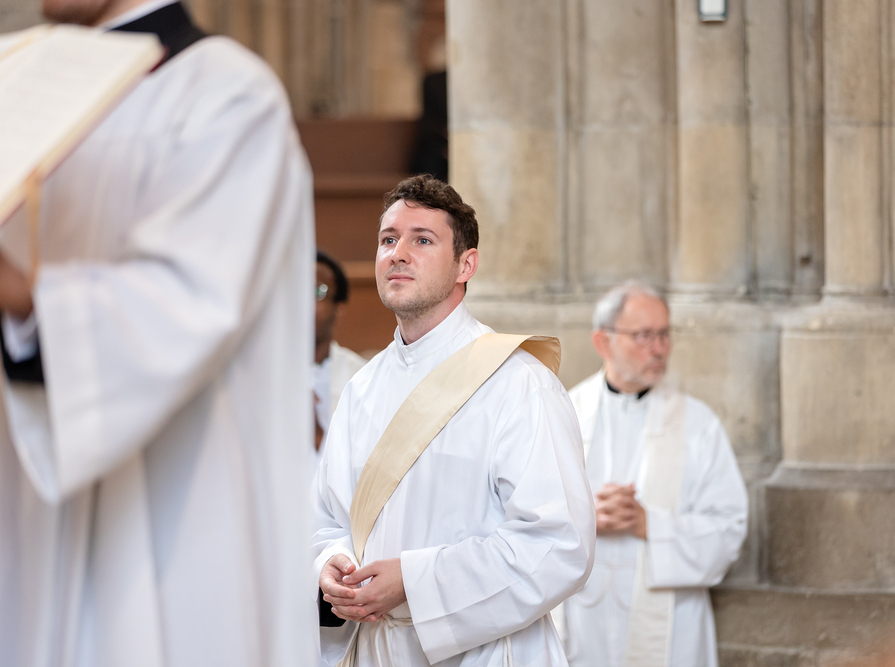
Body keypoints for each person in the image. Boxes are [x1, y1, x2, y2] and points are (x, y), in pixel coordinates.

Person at [0, 0, 315, 665]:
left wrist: (23, 300)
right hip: (24, 528)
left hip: (169, 530)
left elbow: (186, 305)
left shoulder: (227, 94)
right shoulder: (20, 85)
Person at [313, 175, 595, 666]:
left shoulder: (517, 382)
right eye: (388, 240)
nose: (398, 254)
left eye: (422, 240)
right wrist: (329, 565)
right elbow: (327, 519)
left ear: (467, 264)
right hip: (378, 649)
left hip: (486, 653)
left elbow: (559, 543)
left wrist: (415, 584)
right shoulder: (361, 388)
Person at [559, 282, 748, 667]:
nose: (660, 348)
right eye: (644, 336)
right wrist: (584, 515)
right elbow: (517, 516)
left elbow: (729, 530)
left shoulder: (698, 424)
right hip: (581, 621)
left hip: (670, 628)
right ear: (603, 341)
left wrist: (650, 524)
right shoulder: (564, 413)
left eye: (664, 334)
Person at [313, 251, 366, 454]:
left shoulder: (363, 378)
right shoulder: (256, 375)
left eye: (316, 292)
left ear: (339, 308)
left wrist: (317, 436)